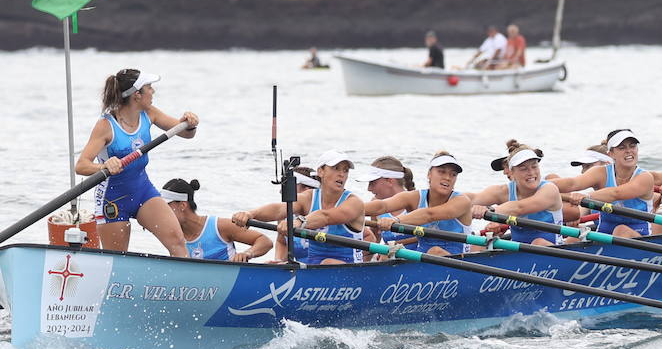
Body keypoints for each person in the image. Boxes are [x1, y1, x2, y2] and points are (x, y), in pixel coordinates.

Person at [76, 69, 199, 256]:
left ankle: (186, 284)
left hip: (143, 191)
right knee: (116, 260)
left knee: (177, 241)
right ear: (137, 95)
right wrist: (104, 166)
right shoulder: (105, 126)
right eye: (149, 87)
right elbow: (81, 166)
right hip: (113, 199)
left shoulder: (149, 114)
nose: (153, 92)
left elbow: (186, 134)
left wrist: (190, 123)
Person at [232, 150, 367, 264]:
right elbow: (280, 209)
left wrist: (301, 221)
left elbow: (327, 216)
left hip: (349, 268)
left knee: (327, 262)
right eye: (336, 168)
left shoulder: (354, 203)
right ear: (321, 172)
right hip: (315, 268)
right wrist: (250, 214)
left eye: (345, 170)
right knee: (275, 265)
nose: (342, 174)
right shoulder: (309, 197)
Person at [549, 130, 655, 238]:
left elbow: (616, 193)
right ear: (611, 154)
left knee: (621, 230)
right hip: (605, 234)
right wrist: (540, 185)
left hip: (639, 234)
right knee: (572, 239)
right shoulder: (600, 173)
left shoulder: (645, 178)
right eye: (622, 148)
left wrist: (587, 196)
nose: (628, 151)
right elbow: (573, 183)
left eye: (632, 146)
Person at [368, 152, 472, 256]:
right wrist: (355, 209)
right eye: (442, 172)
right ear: (429, 174)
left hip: (458, 262)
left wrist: (395, 221)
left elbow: (429, 215)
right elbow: (382, 206)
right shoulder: (415, 197)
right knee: (386, 257)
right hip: (421, 260)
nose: (448, 178)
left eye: (453, 174)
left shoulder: (462, 201)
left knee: (435, 251)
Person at [468, 141, 562, 246]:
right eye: (524, 169)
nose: (531, 172)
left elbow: (519, 207)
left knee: (538, 242)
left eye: (534, 166)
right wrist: (463, 206)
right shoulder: (504, 191)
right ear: (512, 173)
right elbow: (471, 199)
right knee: (476, 245)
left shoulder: (549, 189)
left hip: (553, 250)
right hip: (519, 251)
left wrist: (488, 211)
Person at [163, 178, 272, 262]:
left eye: (165, 207)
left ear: (182, 205)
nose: (161, 212)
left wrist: (248, 254)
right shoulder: (172, 236)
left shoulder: (219, 226)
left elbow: (265, 241)